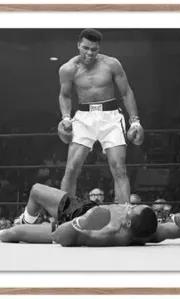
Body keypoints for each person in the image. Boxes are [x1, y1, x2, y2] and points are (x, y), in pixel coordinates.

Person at [0, 183, 180, 247]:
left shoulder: (107, 234)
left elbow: (60, 237)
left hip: (76, 224)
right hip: (85, 208)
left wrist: (81, 223)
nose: (127, 206)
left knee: (14, 233)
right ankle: (24, 218)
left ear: (128, 222)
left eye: (130, 210)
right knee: (36, 190)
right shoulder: (154, 230)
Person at [57, 28, 144, 204]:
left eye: (94, 49)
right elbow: (65, 95)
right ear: (78, 45)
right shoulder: (68, 69)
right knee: (72, 168)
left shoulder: (111, 64)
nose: (89, 53)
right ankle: (64, 215)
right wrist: (66, 118)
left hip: (110, 117)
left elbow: (126, 92)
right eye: (85, 48)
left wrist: (135, 122)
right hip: (83, 117)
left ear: (99, 48)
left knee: (119, 168)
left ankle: (123, 216)